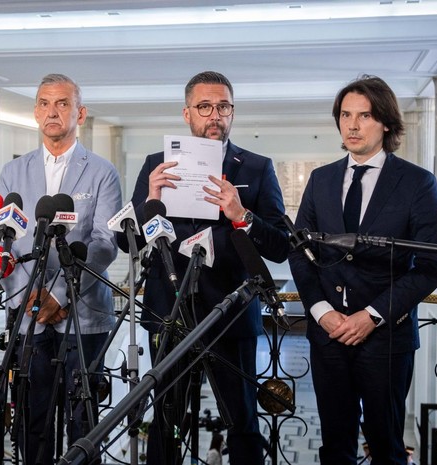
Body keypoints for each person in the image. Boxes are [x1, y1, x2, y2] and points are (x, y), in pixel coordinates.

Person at [122, 70, 289, 465]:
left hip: (232, 313)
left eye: (223, 107)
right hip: (169, 311)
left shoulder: (257, 167)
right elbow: (125, 242)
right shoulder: (156, 165)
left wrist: (242, 215)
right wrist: (150, 201)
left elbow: (281, 246)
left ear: (232, 112)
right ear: (187, 113)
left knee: (243, 420)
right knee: (166, 419)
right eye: (205, 107)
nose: (215, 115)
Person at [289, 75, 437, 464]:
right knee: (335, 447)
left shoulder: (417, 182)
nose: (353, 125)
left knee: (386, 447)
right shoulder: (321, 179)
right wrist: (321, 312)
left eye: (365, 116)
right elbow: (299, 251)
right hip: (328, 335)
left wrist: (372, 315)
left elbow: (430, 266)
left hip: (386, 337)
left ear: (386, 123)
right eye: (346, 115)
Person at [0, 73, 121, 465]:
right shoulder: (12, 172)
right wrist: (30, 298)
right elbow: (5, 241)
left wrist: (59, 295)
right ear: (36, 113)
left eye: (63, 103)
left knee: (82, 421)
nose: (52, 112)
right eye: (44, 103)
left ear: (79, 114)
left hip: (83, 317)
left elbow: (104, 243)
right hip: (27, 313)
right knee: (30, 422)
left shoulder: (102, 171)